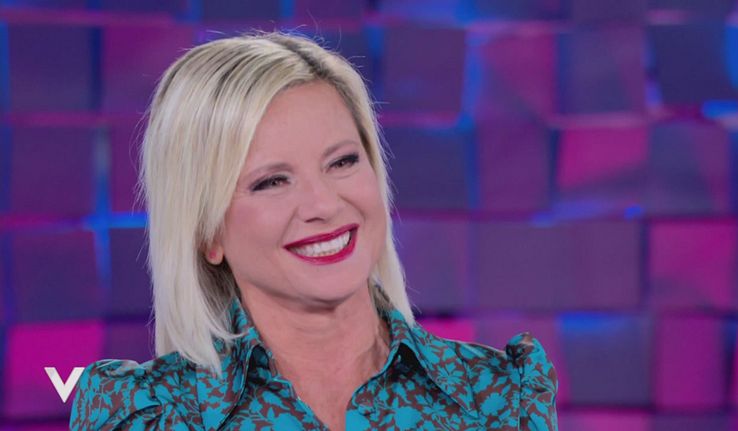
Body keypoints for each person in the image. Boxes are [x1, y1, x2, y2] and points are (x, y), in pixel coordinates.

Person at [69, 32, 558, 430]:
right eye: (271, 182)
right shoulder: (144, 414)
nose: (324, 204)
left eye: (342, 162)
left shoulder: (500, 395)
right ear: (206, 232)